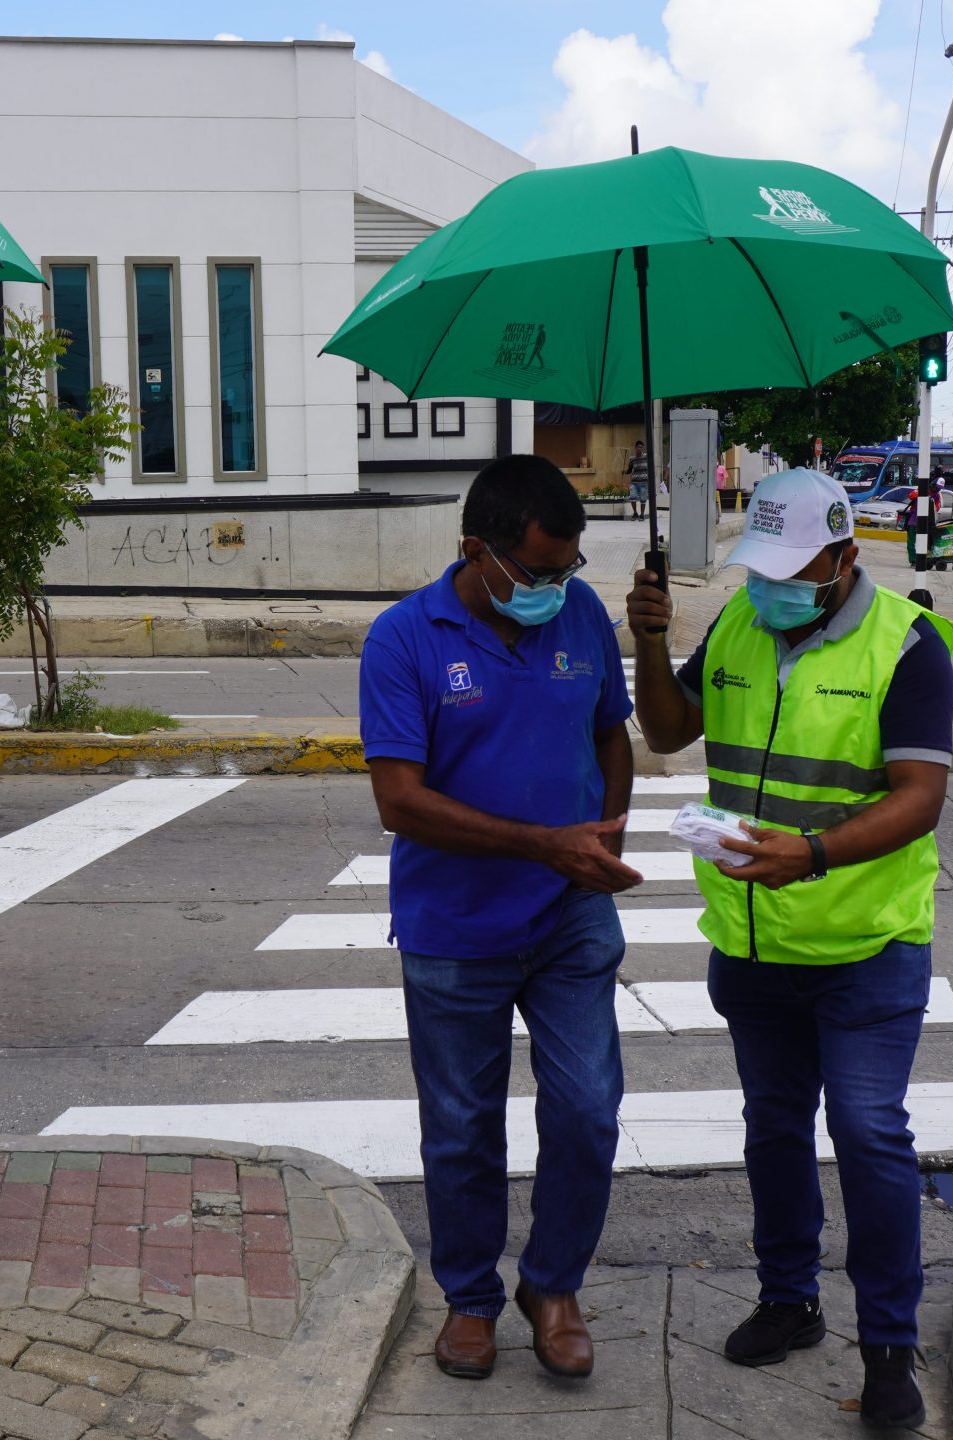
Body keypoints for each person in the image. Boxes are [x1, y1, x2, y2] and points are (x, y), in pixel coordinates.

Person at [625, 465, 953, 1431]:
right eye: (757, 566)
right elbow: (668, 729)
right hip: (754, 944)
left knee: (866, 1133)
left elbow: (918, 797)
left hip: (865, 947)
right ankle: (789, 1299)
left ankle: (889, 1346)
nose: (766, 585)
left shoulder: (909, 644)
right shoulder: (736, 624)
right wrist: (651, 641)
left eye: (789, 567)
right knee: (773, 1128)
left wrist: (810, 854)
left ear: (845, 555)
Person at [359, 454, 640, 1382]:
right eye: (539, 572)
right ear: (475, 551)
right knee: (462, 1125)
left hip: (570, 918)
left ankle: (552, 1285)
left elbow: (611, 729)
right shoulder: (404, 639)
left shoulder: (581, 613)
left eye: (570, 570)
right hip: (454, 929)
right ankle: (471, 1298)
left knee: (590, 1110)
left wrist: (604, 833)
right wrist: (543, 844)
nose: (556, 589)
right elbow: (400, 801)